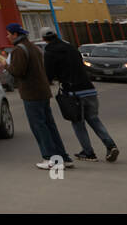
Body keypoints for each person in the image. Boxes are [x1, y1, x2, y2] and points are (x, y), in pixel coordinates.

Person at [0, 23, 73, 170]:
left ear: (15, 34)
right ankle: (62, 157)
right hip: (42, 91)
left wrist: (4, 63)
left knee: (39, 126)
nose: (7, 36)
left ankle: (50, 158)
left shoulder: (19, 50)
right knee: (49, 125)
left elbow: (18, 71)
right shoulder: (34, 48)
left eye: (8, 33)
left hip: (31, 93)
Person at [42, 28, 118, 162]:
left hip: (72, 92)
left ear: (44, 39)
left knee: (78, 122)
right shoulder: (71, 47)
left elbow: (49, 74)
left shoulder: (49, 52)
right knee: (94, 119)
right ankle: (110, 145)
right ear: (55, 35)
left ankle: (88, 152)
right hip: (88, 88)